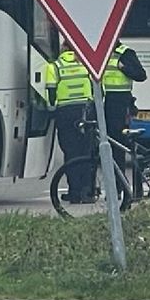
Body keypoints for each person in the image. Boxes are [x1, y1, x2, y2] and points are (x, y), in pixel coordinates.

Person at [46, 46, 97, 203]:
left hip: (65, 113)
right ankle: (87, 192)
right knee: (87, 152)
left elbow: (51, 93)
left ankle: (74, 192)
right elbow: (98, 89)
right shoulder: (87, 65)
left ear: (62, 49)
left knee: (70, 153)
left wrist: (52, 109)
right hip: (85, 111)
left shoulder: (54, 67)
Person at [102, 40, 147, 165]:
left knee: (117, 139)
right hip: (102, 101)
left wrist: (123, 68)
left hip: (119, 102)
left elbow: (141, 75)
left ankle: (119, 175)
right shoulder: (101, 54)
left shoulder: (126, 53)